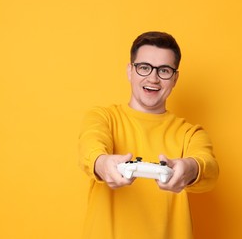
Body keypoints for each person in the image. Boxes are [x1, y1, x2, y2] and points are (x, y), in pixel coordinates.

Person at [78, 31, 219, 239]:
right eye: (144, 67)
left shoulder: (191, 133)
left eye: (164, 70)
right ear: (130, 71)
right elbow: (90, 144)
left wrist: (189, 168)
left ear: (175, 78)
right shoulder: (103, 117)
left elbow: (209, 167)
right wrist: (102, 163)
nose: (153, 78)